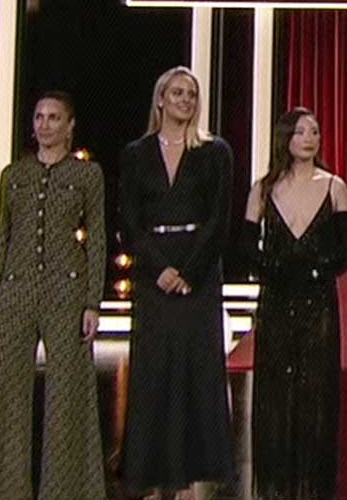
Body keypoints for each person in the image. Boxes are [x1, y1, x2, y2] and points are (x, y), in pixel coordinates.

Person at [0, 91, 108, 500]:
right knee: (2, 391)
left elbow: (96, 238)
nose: (45, 124)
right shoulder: (15, 174)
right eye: (40, 117)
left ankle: (68, 491)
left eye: (54, 117)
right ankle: (0, 489)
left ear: (70, 124)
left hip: (67, 289)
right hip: (15, 289)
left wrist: (93, 302)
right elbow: (2, 237)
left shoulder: (87, 176)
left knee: (68, 393)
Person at [118, 66, 236, 500]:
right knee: (152, 375)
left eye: (191, 94)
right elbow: (129, 220)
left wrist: (187, 270)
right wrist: (160, 269)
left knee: (196, 374)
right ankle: (150, 476)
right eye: (177, 92)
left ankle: (190, 480)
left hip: (198, 278)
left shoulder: (214, 151)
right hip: (153, 276)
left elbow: (219, 220)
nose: (185, 100)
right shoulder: (136, 153)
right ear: (160, 99)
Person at [241, 108, 347, 499]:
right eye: (301, 131)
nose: (309, 138)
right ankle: (276, 484)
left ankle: (314, 485)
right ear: (285, 138)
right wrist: (273, 270)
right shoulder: (262, 188)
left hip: (319, 302)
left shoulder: (335, 186)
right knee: (275, 393)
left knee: (316, 393)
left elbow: (346, 251)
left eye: (316, 131)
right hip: (275, 302)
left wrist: (316, 271)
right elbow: (245, 247)